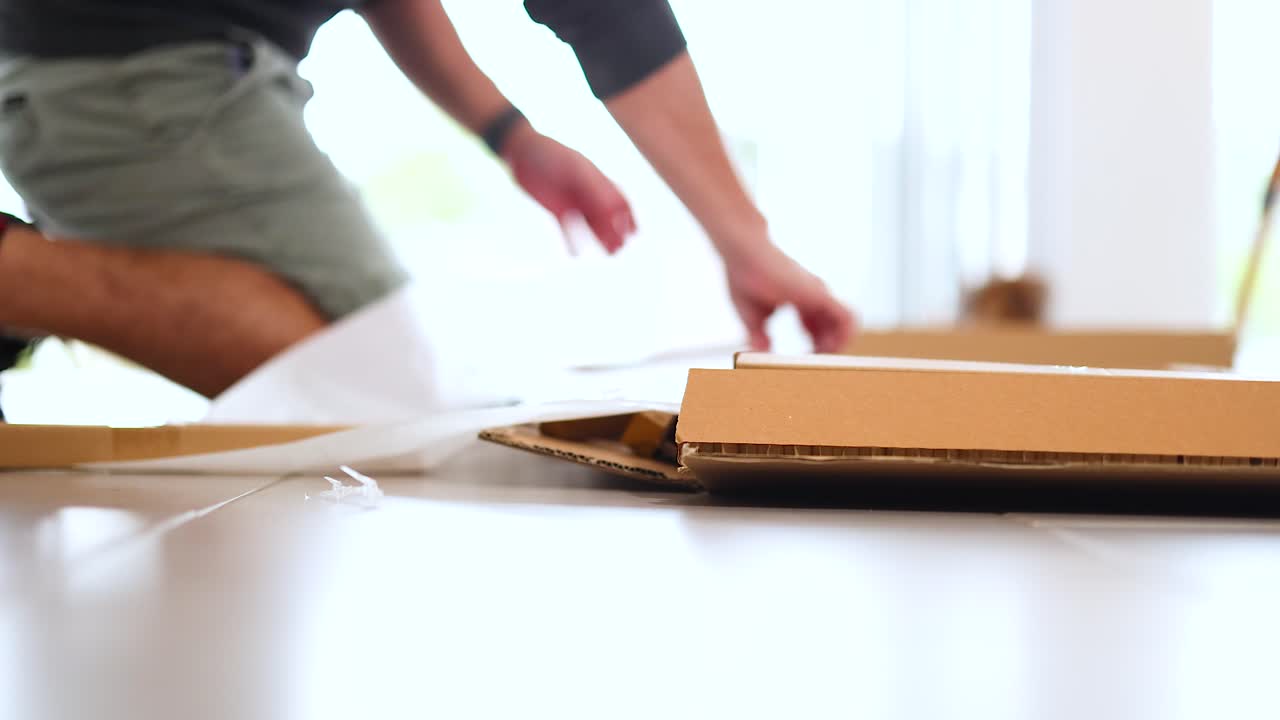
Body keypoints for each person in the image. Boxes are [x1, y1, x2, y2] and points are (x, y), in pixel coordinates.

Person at [0, 0, 854, 403]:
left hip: (141, 72)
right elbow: (609, 12)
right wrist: (747, 240)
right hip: (139, 76)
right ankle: (16, 276)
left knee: (363, 378)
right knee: (366, 392)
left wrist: (507, 132)